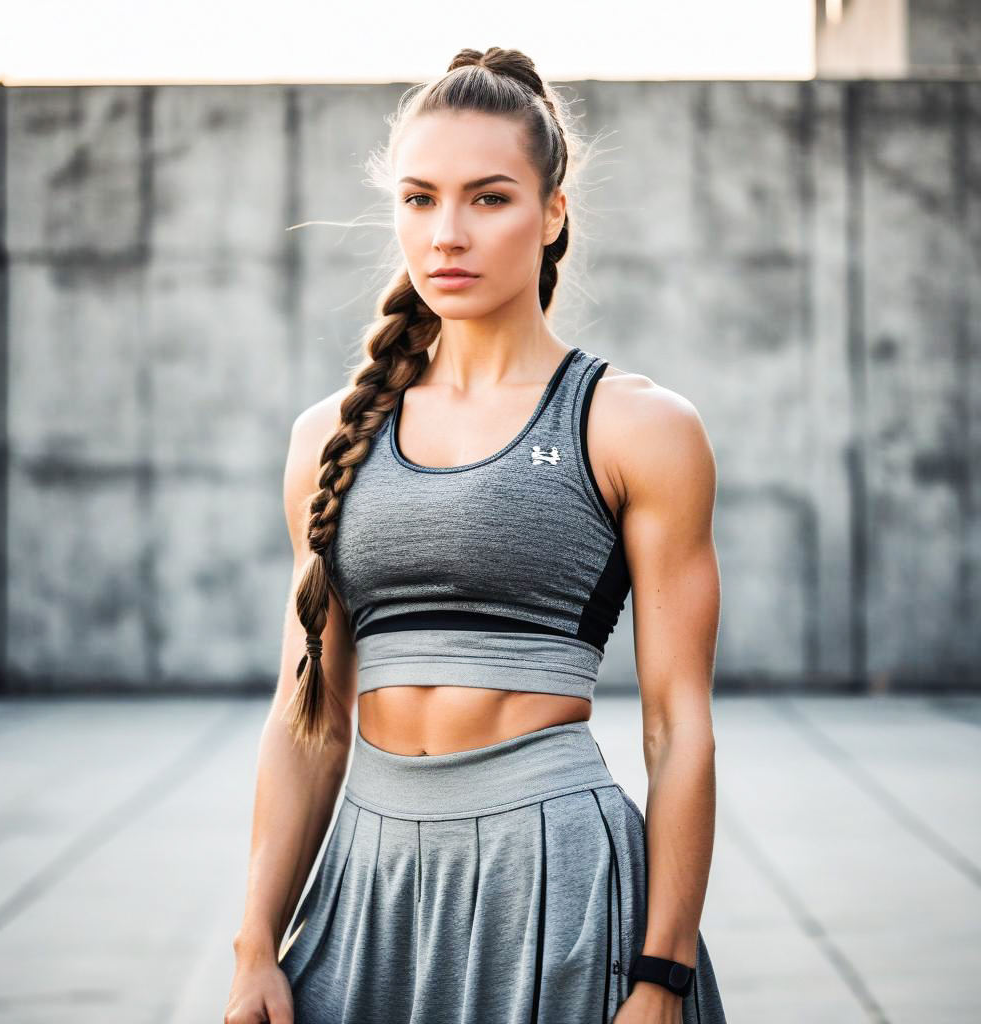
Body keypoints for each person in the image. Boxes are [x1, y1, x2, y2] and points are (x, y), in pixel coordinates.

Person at [224, 47, 727, 1024]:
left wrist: (660, 976)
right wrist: (254, 947)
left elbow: (677, 725)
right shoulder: (328, 435)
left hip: (555, 880)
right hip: (368, 887)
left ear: (552, 214)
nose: (446, 233)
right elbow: (309, 718)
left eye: (488, 199)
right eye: (419, 199)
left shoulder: (636, 425)